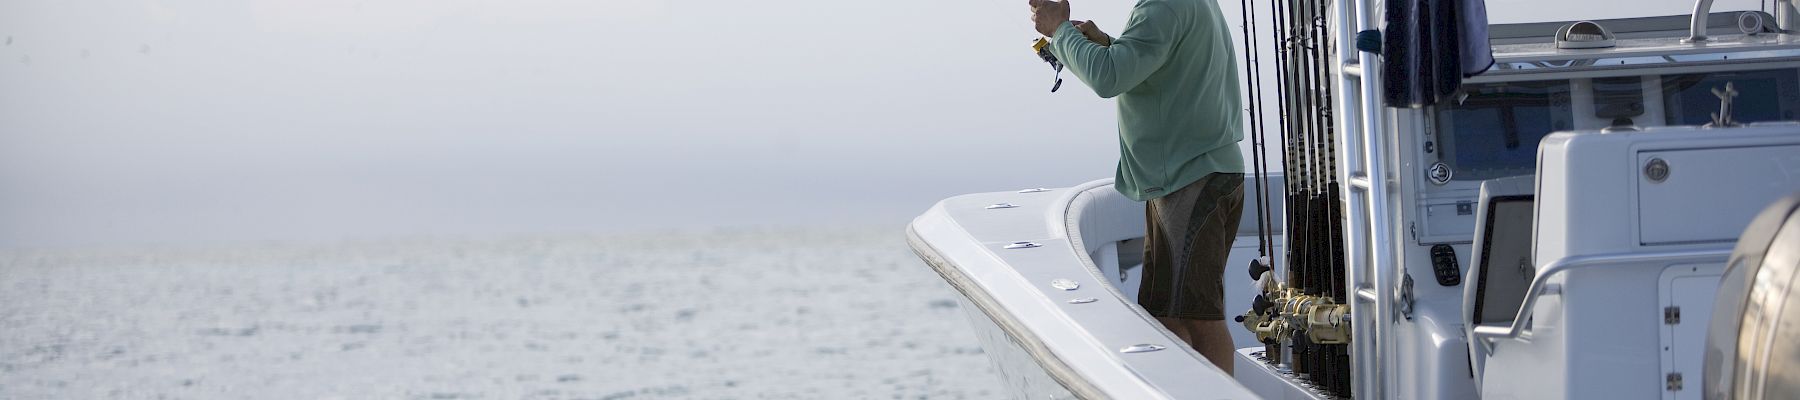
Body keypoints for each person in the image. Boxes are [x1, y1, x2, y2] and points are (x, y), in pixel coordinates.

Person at [1028, 0, 1246, 374]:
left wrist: (1060, 30)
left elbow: (1109, 78)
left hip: (1191, 181)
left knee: (1197, 317)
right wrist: (1109, 43)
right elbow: (1151, 64)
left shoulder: (1161, 6)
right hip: (1186, 178)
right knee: (1166, 316)